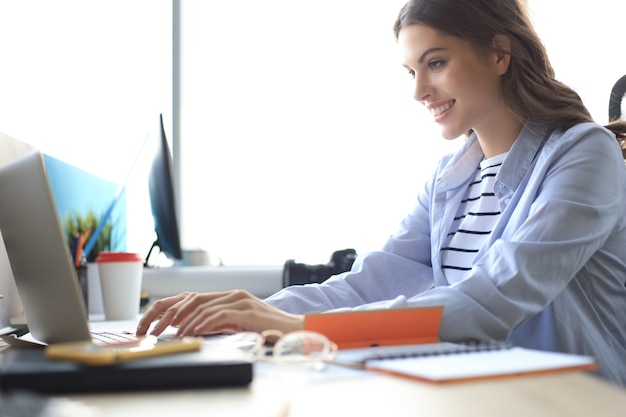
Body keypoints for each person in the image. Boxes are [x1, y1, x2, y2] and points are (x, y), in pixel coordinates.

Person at [136, 0, 626, 386]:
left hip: (574, 398)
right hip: (485, 390)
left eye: (435, 62)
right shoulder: (449, 177)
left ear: (500, 53)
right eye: (413, 71)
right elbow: (370, 281)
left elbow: (492, 300)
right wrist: (253, 311)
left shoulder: (585, 153)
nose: (419, 91)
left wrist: (299, 329)